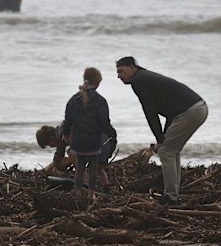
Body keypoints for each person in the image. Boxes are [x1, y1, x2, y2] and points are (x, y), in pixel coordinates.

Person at [116, 56, 208, 206]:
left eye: (121, 71)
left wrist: (160, 139)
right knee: (171, 150)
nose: (118, 76)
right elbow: (171, 113)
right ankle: (173, 194)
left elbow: (149, 111)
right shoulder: (144, 77)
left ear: (132, 67)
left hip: (191, 111)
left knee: (166, 152)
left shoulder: (139, 80)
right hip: (197, 108)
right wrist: (163, 137)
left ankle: (170, 197)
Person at [63, 67, 117, 201]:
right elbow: (104, 123)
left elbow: (68, 119)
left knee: (80, 168)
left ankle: (77, 193)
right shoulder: (100, 101)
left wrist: (66, 134)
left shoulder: (73, 99)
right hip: (94, 140)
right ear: (98, 82)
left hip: (78, 141)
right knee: (93, 168)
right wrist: (113, 134)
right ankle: (91, 194)